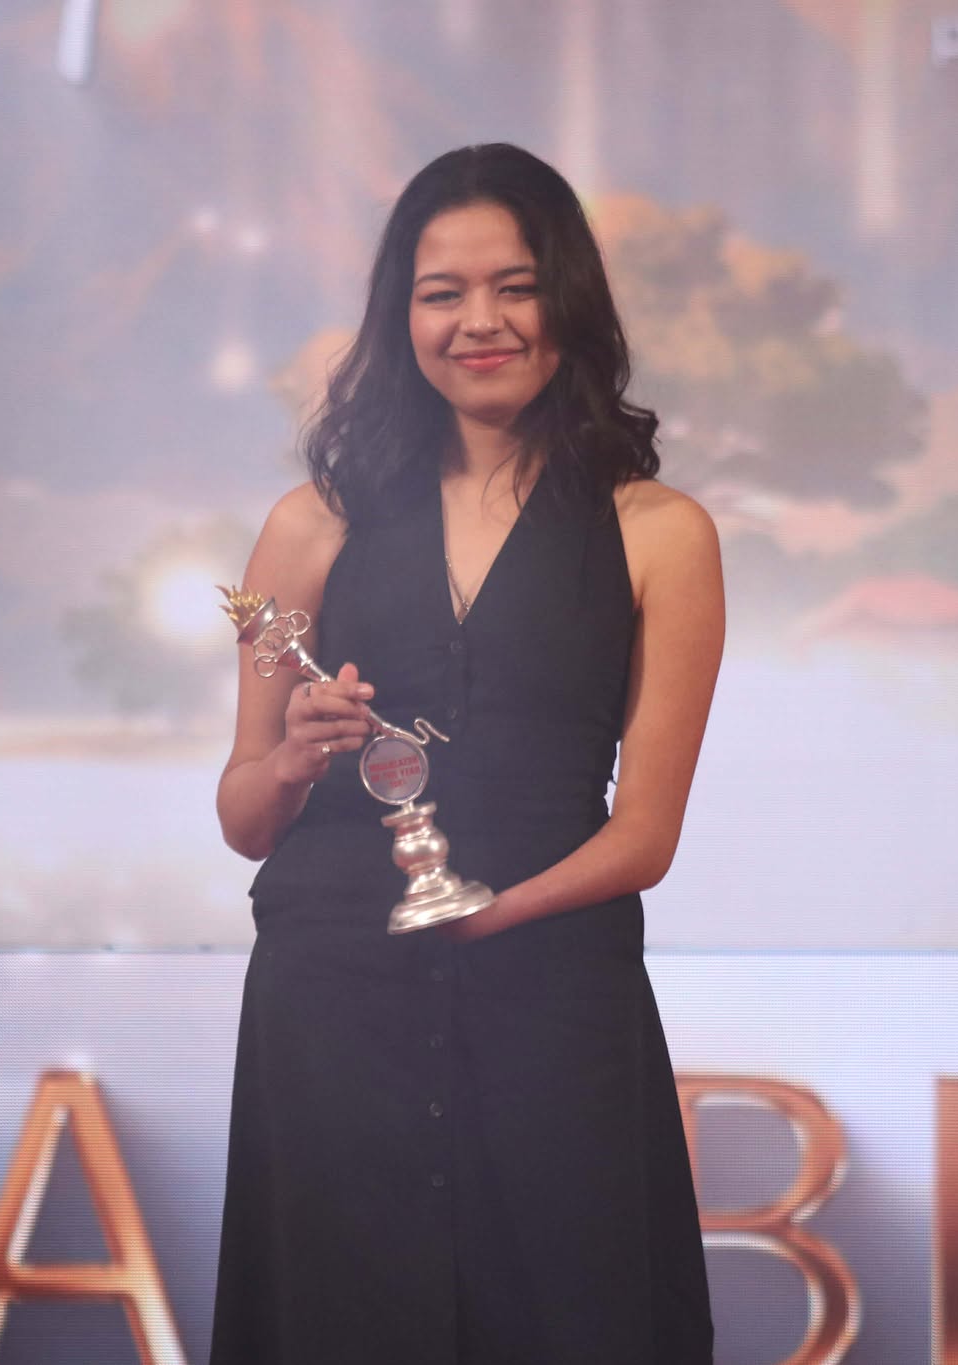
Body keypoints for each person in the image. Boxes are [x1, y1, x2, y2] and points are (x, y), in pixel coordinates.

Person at [211, 143, 723, 1365]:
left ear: (569, 301)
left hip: (552, 1007)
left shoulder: (658, 533)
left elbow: (644, 836)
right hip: (335, 1009)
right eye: (441, 293)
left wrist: (492, 918)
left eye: (514, 287)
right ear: (401, 318)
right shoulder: (309, 526)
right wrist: (292, 761)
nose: (477, 322)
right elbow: (242, 815)